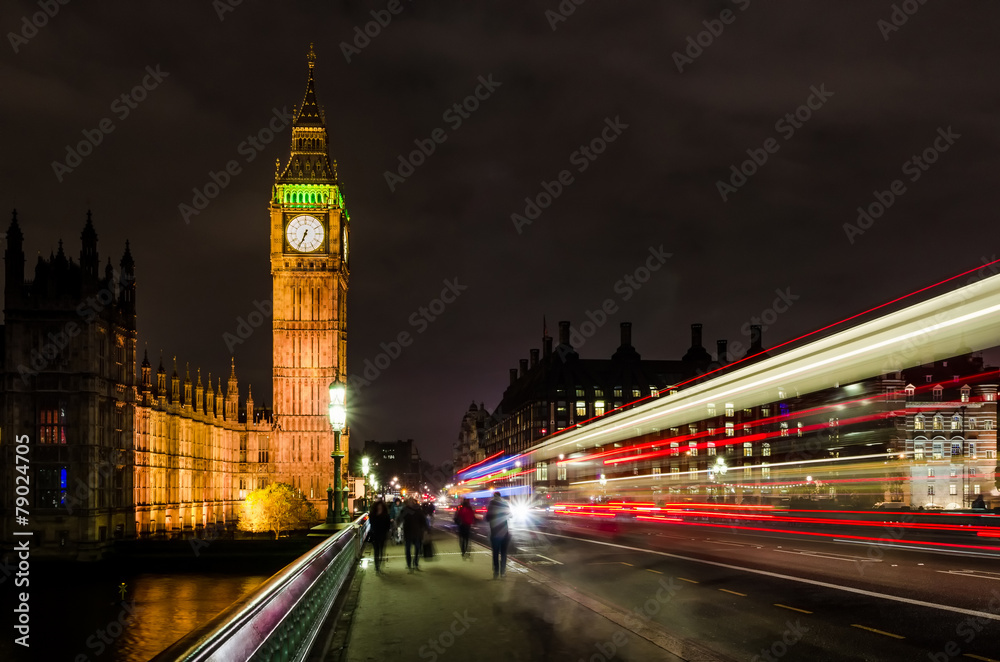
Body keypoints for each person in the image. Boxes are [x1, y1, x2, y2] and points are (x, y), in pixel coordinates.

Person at [486, 491, 512, 578]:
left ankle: (496, 572)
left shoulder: (491, 504)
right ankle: (503, 572)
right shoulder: (505, 503)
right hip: (504, 532)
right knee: (504, 553)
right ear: (500, 496)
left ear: (494, 496)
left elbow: (487, 518)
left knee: (495, 553)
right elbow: (511, 515)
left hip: (495, 533)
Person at [399, 497, 427, 572]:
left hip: (416, 532)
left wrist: (426, 529)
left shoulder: (417, 510)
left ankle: (415, 563)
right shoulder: (406, 510)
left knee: (416, 548)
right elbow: (400, 518)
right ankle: (410, 564)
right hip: (410, 532)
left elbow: (423, 520)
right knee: (409, 549)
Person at [369, 500, 391, 574]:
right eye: (378, 507)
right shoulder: (373, 515)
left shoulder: (385, 515)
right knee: (376, 551)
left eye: (381, 507)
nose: (379, 508)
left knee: (381, 550)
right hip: (375, 534)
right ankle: (377, 566)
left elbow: (388, 525)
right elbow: (371, 523)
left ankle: (379, 564)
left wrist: (387, 531)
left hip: (382, 534)